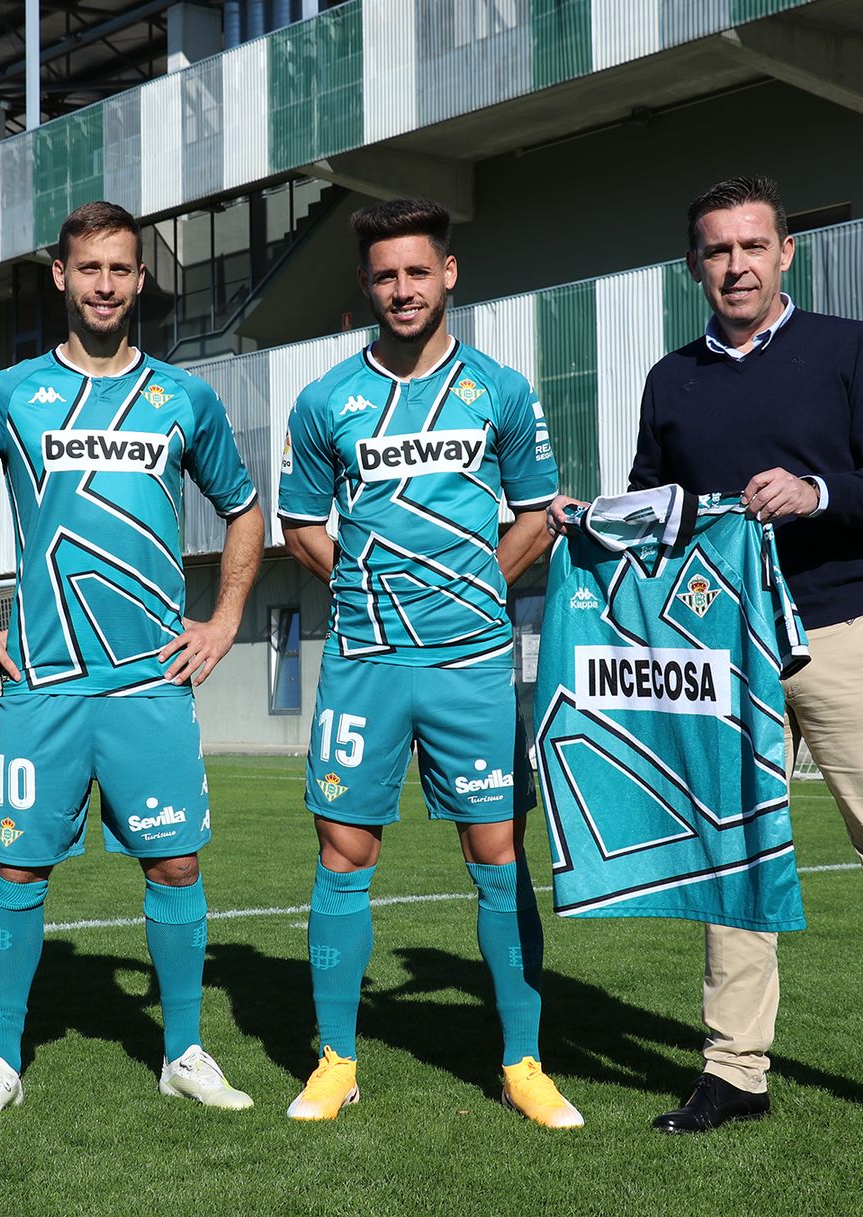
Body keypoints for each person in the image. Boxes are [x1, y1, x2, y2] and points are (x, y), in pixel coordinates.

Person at [550, 174, 863, 1152]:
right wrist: (592, 519)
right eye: (716, 249)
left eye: (752, 245)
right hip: (722, 654)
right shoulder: (670, 379)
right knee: (731, 854)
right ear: (692, 265)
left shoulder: (849, 348)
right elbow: (657, 513)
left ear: (785, 251)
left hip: (842, 634)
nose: (736, 265)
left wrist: (815, 491)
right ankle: (732, 1070)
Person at [0, 200, 264, 1121]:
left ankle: (182, 1051)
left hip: (150, 681)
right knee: (18, 872)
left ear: (140, 280)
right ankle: (0, 1059)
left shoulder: (183, 398)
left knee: (175, 867)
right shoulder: (6, 394)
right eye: (89, 268)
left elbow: (244, 507)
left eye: (121, 269)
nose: (105, 285)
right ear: (60, 277)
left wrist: (224, 620)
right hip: (45, 683)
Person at [276, 198, 578, 1126]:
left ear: (448, 274)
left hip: (471, 661)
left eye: (417, 271)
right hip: (365, 660)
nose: (401, 289)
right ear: (365, 285)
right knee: (343, 851)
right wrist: (372, 589)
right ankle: (335, 1059)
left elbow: (538, 515)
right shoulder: (325, 400)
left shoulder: (501, 390)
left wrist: (470, 588)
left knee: (496, 853)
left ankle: (522, 1062)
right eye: (384, 275)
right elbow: (300, 524)